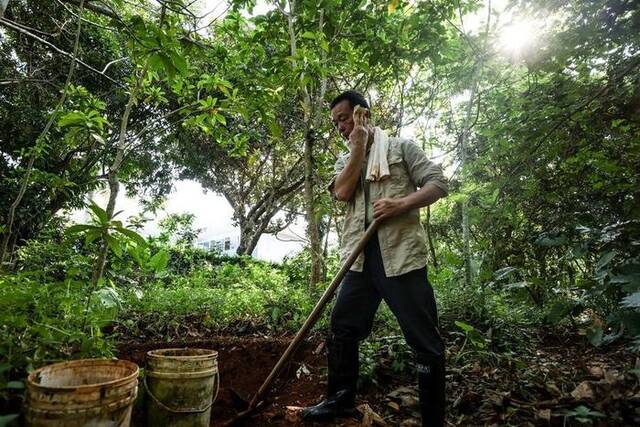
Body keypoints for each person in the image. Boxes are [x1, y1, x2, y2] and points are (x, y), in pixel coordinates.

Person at [301, 90, 448, 427]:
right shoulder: (345, 159)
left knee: (424, 340)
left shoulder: (401, 148)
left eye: (344, 118)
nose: (339, 126)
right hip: (358, 262)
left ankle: (433, 418)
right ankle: (339, 401)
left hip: (401, 260)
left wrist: (401, 204)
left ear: (362, 114)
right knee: (342, 329)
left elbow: (439, 184)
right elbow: (341, 192)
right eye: (335, 122)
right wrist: (357, 147)